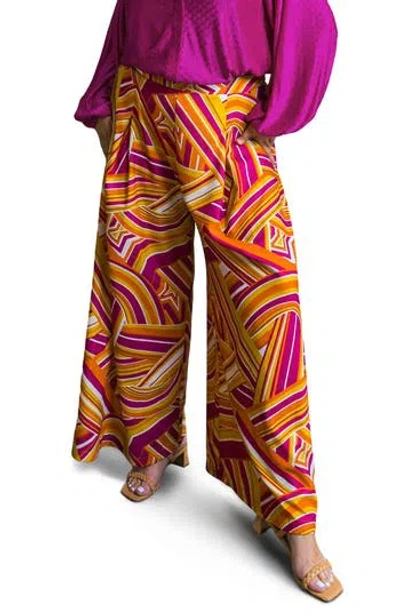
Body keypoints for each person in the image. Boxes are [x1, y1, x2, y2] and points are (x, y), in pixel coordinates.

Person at [71, 0, 342, 602]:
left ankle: (294, 515)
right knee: (141, 291)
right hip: (140, 107)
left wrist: (278, 111)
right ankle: (150, 441)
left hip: (224, 115)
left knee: (266, 315)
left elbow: (311, 20)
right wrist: (103, 97)